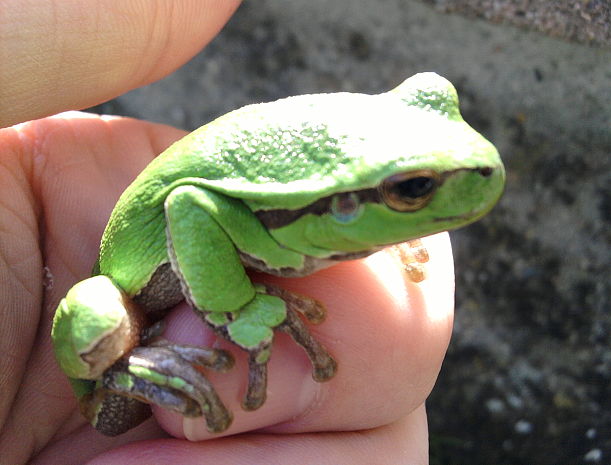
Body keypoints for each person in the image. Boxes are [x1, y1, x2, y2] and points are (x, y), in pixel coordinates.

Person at [0, 1, 454, 463]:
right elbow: (190, 205)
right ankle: (125, 370)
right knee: (97, 319)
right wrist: (235, 306)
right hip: (127, 292)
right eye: (413, 187)